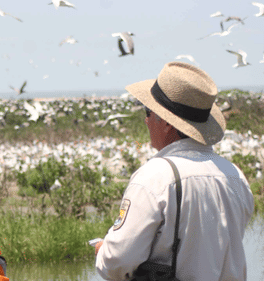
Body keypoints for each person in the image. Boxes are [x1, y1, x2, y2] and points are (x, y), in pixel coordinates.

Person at [94, 62, 254, 280]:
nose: (146, 120)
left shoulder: (155, 177)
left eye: (149, 112)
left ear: (168, 123)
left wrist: (103, 251)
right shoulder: (234, 175)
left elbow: (118, 263)